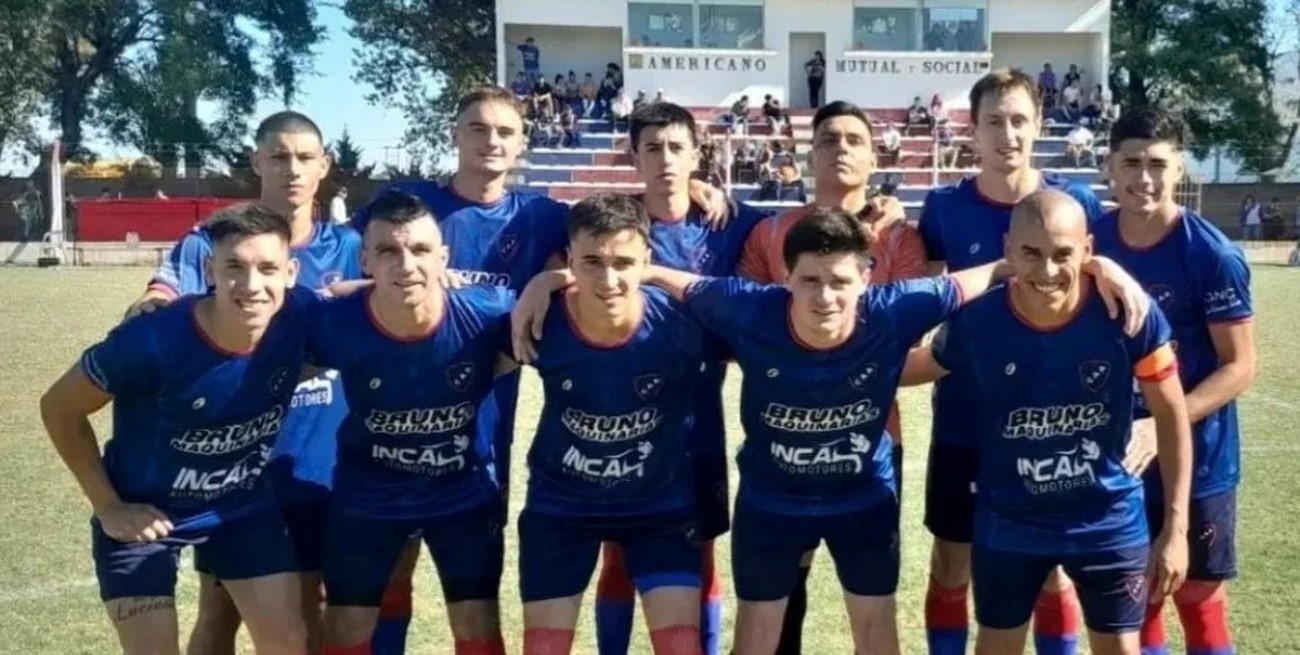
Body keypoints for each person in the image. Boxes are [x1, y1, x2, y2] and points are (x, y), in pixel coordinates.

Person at [531, 207, 1147, 655]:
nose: (825, 296)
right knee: (757, 633)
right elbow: (667, 279)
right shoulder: (747, 307)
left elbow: (998, 271)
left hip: (862, 499)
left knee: (876, 630)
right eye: (809, 280)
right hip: (771, 500)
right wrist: (555, 280)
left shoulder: (899, 308)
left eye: (840, 282)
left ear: (866, 279)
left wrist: (1099, 265)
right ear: (785, 279)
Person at [510, 101, 766, 655]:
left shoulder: (731, 222)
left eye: (676, 147)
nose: (665, 159)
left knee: (700, 551)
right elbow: (582, 264)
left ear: (697, 154)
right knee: (617, 554)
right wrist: (544, 281)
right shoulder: (616, 221)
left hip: (699, 412)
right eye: (652, 148)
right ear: (634, 156)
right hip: (619, 404)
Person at [901, 189, 1193, 655]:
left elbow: (1171, 414)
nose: (1048, 270)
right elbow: (916, 368)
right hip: (1009, 521)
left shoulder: (1128, 312)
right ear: (1008, 249)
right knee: (997, 648)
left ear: (1088, 250)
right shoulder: (978, 322)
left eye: (1063, 254)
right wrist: (833, 354)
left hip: (1107, 519)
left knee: (1121, 648)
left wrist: (1176, 529)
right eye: (1031, 253)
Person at [123, 111, 368, 655]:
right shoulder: (211, 242)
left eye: (304, 157)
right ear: (256, 161)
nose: (291, 169)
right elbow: (161, 297)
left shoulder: (349, 246)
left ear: (324, 165)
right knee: (219, 611)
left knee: (310, 607)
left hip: (313, 462)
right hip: (229, 465)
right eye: (278, 156)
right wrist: (149, 306)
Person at [39, 205, 315, 655]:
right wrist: (109, 507)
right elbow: (58, 408)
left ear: (290, 273)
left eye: (267, 268)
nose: (251, 285)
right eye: (234, 266)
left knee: (287, 642)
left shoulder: (301, 317)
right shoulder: (150, 340)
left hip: (240, 507)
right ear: (208, 270)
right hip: (146, 512)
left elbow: (360, 307)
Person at [917, 68, 1106, 655]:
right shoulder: (943, 208)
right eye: (994, 121)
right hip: (966, 417)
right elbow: (931, 303)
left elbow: (1099, 291)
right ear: (973, 130)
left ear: (1039, 125)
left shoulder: (1077, 203)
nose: (1008, 134)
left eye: (1019, 119)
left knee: (1052, 570)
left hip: (1053, 421)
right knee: (952, 561)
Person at [734, 99, 922, 655]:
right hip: (782, 449)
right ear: (808, 155)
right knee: (779, 601)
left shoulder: (900, 236)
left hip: (871, 446)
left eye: (854, 140)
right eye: (828, 139)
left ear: (874, 157)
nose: (841, 148)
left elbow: (917, 348)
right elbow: (746, 330)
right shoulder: (770, 233)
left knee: (872, 606)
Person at [312, 191, 516, 655]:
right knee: (344, 627)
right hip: (369, 493)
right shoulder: (332, 321)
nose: (406, 265)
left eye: (420, 250)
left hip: (461, 492)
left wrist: (548, 281)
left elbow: (569, 312)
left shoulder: (490, 312)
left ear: (443, 258)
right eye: (388, 251)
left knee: (478, 621)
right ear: (365, 260)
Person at [513, 194, 717, 655]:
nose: (608, 279)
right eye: (591, 262)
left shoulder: (683, 324)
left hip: (660, 506)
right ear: (570, 260)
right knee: (543, 648)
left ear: (647, 260)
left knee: (681, 646)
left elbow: (769, 319)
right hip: (561, 505)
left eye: (623, 262)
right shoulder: (539, 319)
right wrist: (541, 282)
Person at [1091, 107, 1256, 655]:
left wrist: (1162, 423)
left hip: (1201, 459)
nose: (1144, 178)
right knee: (1134, 596)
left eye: (1158, 164)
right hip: (1119, 456)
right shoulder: (1091, 243)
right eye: (1131, 163)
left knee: (1198, 597)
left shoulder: (1211, 255)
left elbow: (1239, 366)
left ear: (1180, 168)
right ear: (1109, 166)